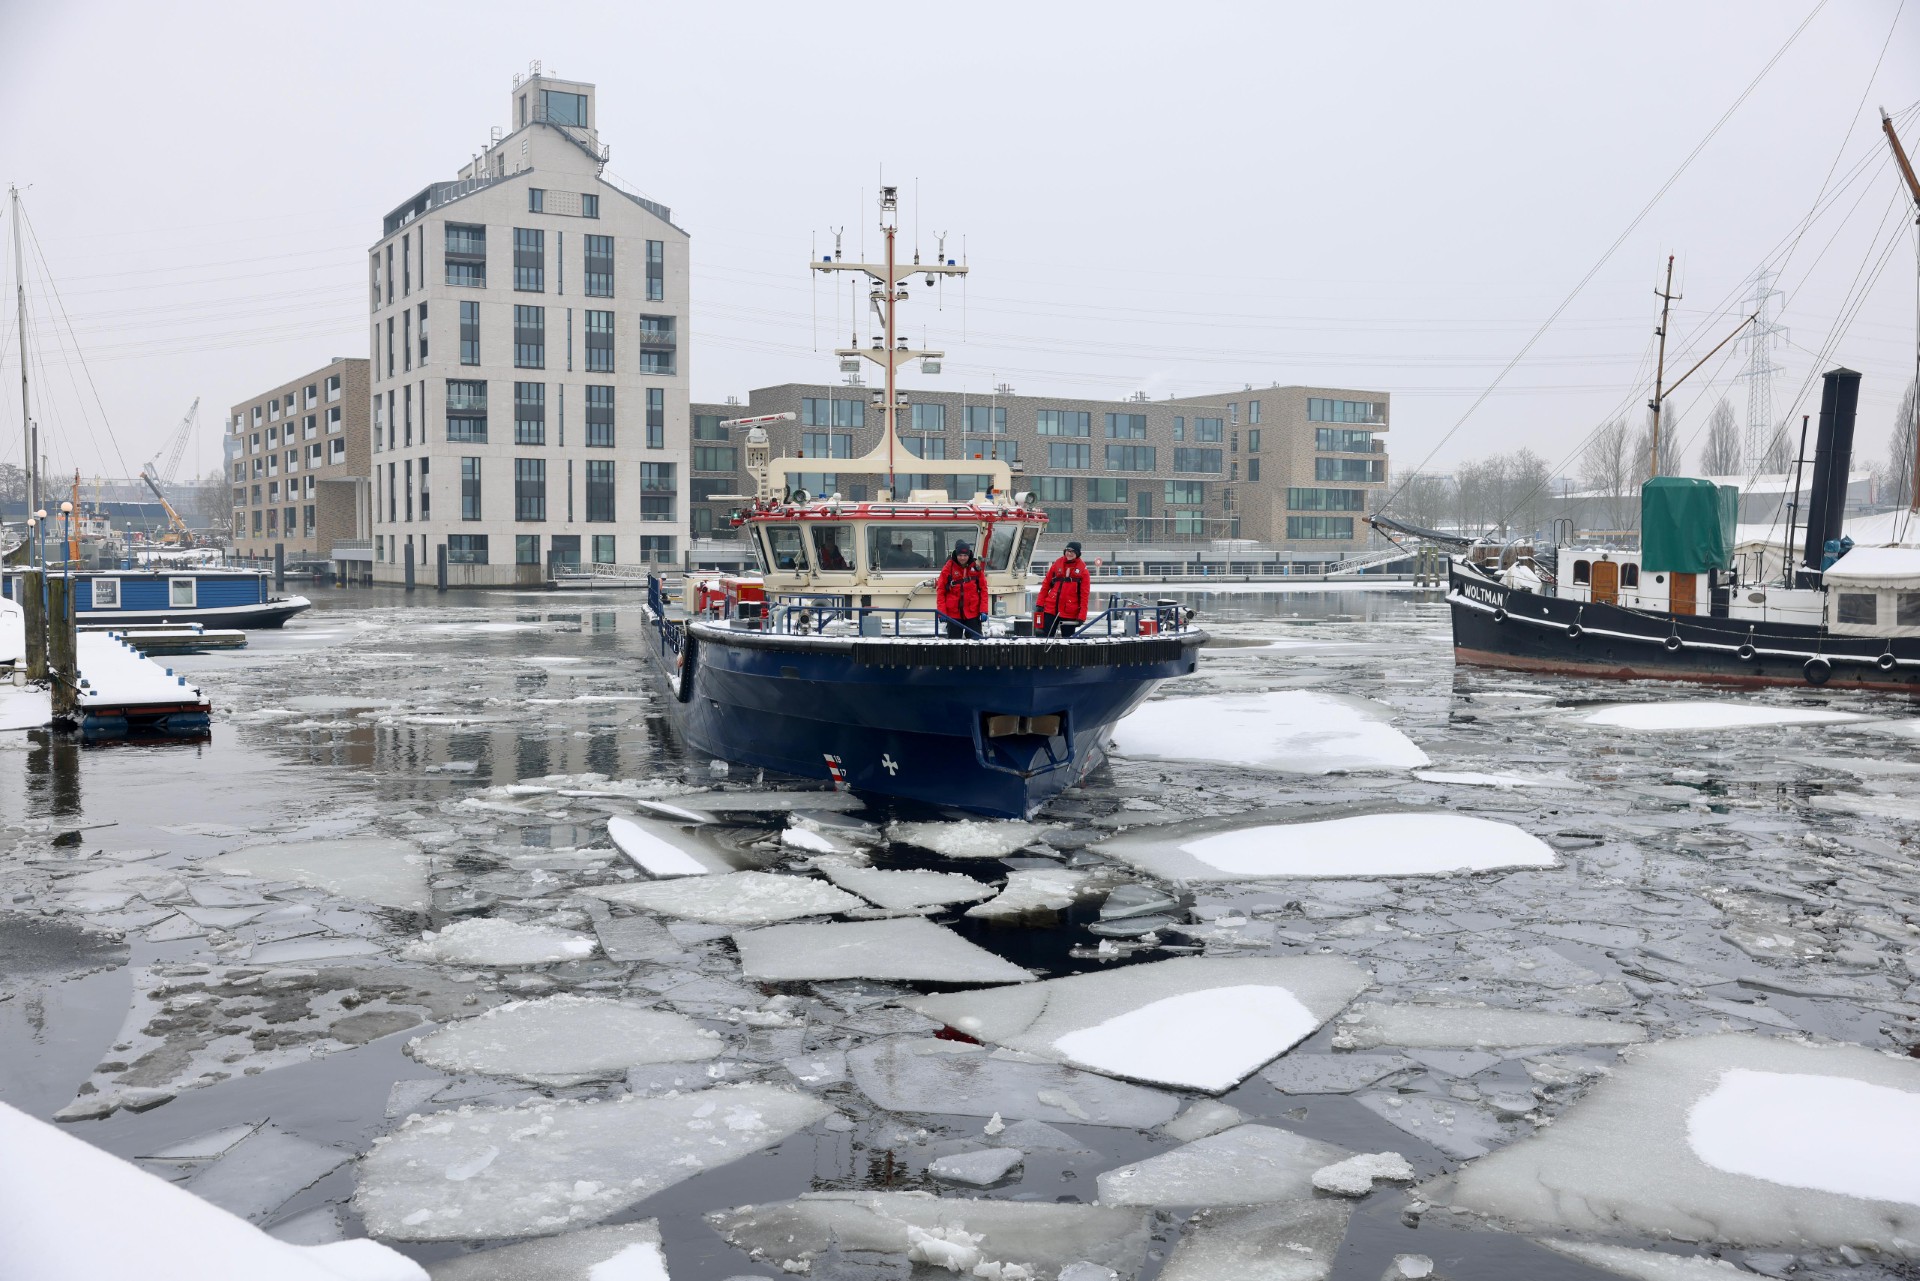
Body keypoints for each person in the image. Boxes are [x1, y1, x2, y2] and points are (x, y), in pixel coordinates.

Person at [1037, 541, 1091, 637]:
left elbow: (1084, 595)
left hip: (1069, 612)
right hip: (1050, 609)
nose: (1069, 553)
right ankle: (1045, 652)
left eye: (1072, 551)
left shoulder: (1083, 571)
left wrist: (1082, 616)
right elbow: (1046, 585)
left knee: (1068, 640)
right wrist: (1040, 603)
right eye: (1067, 550)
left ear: (1077, 553)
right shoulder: (1057, 564)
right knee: (1045, 637)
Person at [935, 541, 988, 639]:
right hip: (953, 615)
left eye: (965, 555)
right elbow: (941, 591)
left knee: (976, 643)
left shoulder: (976, 569)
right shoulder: (948, 569)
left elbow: (984, 590)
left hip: (973, 614)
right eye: (960, 555)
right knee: (953, 645)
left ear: (969, 555)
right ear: (956, 554)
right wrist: (941, 612)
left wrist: (983, 610)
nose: (962, 558)